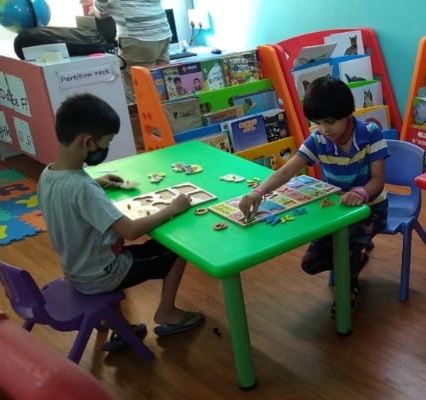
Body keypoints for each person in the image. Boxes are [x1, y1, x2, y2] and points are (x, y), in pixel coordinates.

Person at [37, 93, 204, 351]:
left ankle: (117, 323)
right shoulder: (82, 188)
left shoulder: (48, 174)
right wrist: (172, 208)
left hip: (75, 269)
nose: (106, 149)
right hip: (103, 273)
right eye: (106, 143)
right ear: (87, 142)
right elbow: (132, 230)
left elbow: (71, 200)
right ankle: (167, 312)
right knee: (177, 250)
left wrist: (99, 182)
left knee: (121, 251)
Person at [238, 76, 389, 315]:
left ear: (348, 113)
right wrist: (258, 192)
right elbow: (287, 171)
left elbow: (378, 180)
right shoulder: (318, 139)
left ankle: (348, 288)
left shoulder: (370, 133)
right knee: (310, 264)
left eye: (330, 122)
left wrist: (362, 193)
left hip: (372, 209)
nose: (324, 129)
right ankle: (353, 260)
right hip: (336, 212)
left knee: (345, 248)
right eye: (318, 122)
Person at [87, 0, 173, 99]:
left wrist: (94, 10)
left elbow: (102, 12)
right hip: (162, 32)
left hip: (137, 38)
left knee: (144, 92)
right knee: (164, 88)